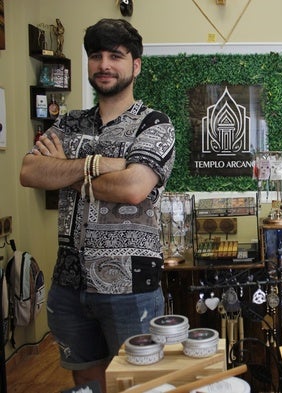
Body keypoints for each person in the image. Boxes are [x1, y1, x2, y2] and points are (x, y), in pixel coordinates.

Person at [20, 19, 175, 391]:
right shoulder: (69, 123)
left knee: (136, 384)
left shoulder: (154, 124)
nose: (104, 64)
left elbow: (135, 188)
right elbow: (30, 171)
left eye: (115, 56)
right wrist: (102, 165)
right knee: (86, 381)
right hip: (70, 283)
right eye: (96, 56)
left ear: (135, 65)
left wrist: (65, 168)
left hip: (131, 284)